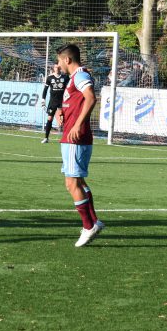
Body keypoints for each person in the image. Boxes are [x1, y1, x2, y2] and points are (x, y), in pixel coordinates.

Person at [54, 44, 104, 247]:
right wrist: (63, 111)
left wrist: (77, 124)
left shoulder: (80, 75)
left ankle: (88, 226)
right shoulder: (73, 78)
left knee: (72, 183)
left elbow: (91, 98)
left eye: (59, 60)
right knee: (78, 182)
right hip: (71, 135)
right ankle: (94, 222)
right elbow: (76, 101)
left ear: (67, 60)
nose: (58, 65)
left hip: (76, 137)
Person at [39, 64, 69, 144]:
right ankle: (46, 138)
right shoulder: (50, 78)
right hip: (52, 102)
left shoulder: (65, 77)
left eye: (58, 67)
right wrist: (43, 100)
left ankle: (65, 138)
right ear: (53, 69)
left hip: (62, 101)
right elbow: (45, 90)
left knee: (62, 120)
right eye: (56, 67)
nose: (57, 68)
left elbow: (69, 88)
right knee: (49, 119)